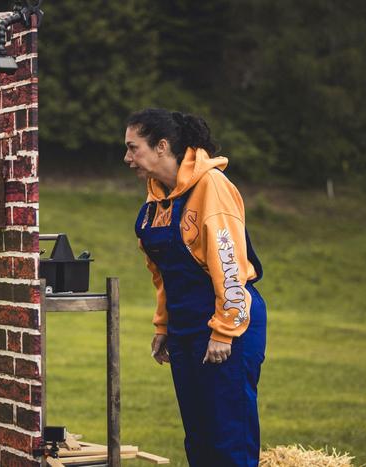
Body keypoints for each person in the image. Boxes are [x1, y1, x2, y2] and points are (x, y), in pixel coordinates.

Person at [124, 109, 267, 466]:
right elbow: (163, 273)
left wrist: (224, 331)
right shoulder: (158, 198)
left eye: (133, 148)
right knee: (199, 436)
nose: (127, 158)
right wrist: (164, 326)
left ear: (161, 146)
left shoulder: (211, 187)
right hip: (185, 325)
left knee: (229, 435)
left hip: (228, 322)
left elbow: (229, 265)